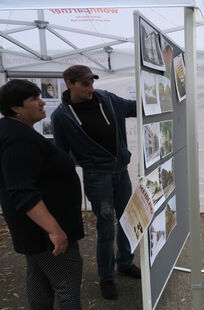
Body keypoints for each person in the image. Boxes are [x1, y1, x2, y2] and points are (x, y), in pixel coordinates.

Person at [51, 65, 139, 300]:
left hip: (121, 171)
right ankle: (106, 277)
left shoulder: (108, 99)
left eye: (92, 82)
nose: (91, 88)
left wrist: (158, 96)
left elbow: (136, 108)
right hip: (97, 177)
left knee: (128, 220)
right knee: (106, 226)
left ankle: (125, 263)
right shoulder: (61, 116)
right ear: (70, 83)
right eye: (85, 84)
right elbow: (62, 152)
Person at [0, 79, 84, 309]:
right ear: (16, 108)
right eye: (34, 99)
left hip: (37, 229)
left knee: (39, 278)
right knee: (67, 278)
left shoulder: (16, 131)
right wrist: (54, 230)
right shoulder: (18, 139)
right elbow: (22, 191)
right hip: (44, 230)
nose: (41, 102)